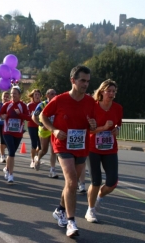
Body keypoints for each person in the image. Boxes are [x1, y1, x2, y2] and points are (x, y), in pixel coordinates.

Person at [40, 65, 96, 237]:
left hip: (81, 145)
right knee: (72, 180)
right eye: (82, 81)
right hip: (62, 144)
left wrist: (93, 126)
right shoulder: (59, 99)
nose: (85, 84)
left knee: (70, 183)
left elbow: (92, 125)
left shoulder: (90, 102)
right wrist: (54, 130)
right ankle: (71, 222)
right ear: (73, 80)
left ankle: (60, 209)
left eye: (87, 81)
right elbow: (42, 116)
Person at [85, 79, 122, 223]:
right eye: (109, 91)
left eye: (114, 91)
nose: (112, 94)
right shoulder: (93, 107)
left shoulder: (118, 108)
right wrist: (103, 128)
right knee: (96, 181)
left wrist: (116, 130)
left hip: (110, 148)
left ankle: (99, 197)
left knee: (112, 182)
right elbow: (88, 129)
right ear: (102, 91)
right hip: (93, 148)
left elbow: (118, 124)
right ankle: (90, 210)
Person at [0, 86, 32, 183]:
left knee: (11, 153)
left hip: (18, 133)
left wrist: (20, 114)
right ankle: (10, 175)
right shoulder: (7, 105)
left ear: (19, 95)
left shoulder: (23, 105)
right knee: (12, 152)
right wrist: (2, 116)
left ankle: (7, 168)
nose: (13, 95)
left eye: (15, 93)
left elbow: (28, 118)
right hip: (7, 131)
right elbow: (0, 114)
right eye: (12, 93)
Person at [32, 89, 59, 178]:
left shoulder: (57, 104)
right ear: (47, 95)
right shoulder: (42, 105)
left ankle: (52, 169)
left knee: (54, 151)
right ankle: (37, 158)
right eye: (52, 94)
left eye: (55, 93)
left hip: (53, 129)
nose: (54, 95)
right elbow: (34, 117)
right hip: (44, 130)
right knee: (44, 150)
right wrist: (40, 124)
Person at [27, 89, 42, 168]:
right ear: (32, 96)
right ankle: (32, 160)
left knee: (40, 146)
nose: (37, 96)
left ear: (40, 96)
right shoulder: (29, 105)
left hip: (40, 126)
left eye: (38, 95)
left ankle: (37, 157)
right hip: (32, 126)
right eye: (35, 94)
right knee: (34, 143)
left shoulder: (42, 105)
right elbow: (27, 116)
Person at [0, 91, 10, 163]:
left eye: (7, 96)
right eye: (4, 96)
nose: (5, 98)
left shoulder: (10, 105)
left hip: (8, 124)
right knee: (2, 140)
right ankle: (2, 156)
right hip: (0, 123)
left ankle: (4, 150)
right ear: (2, 97)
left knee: (7, 141)